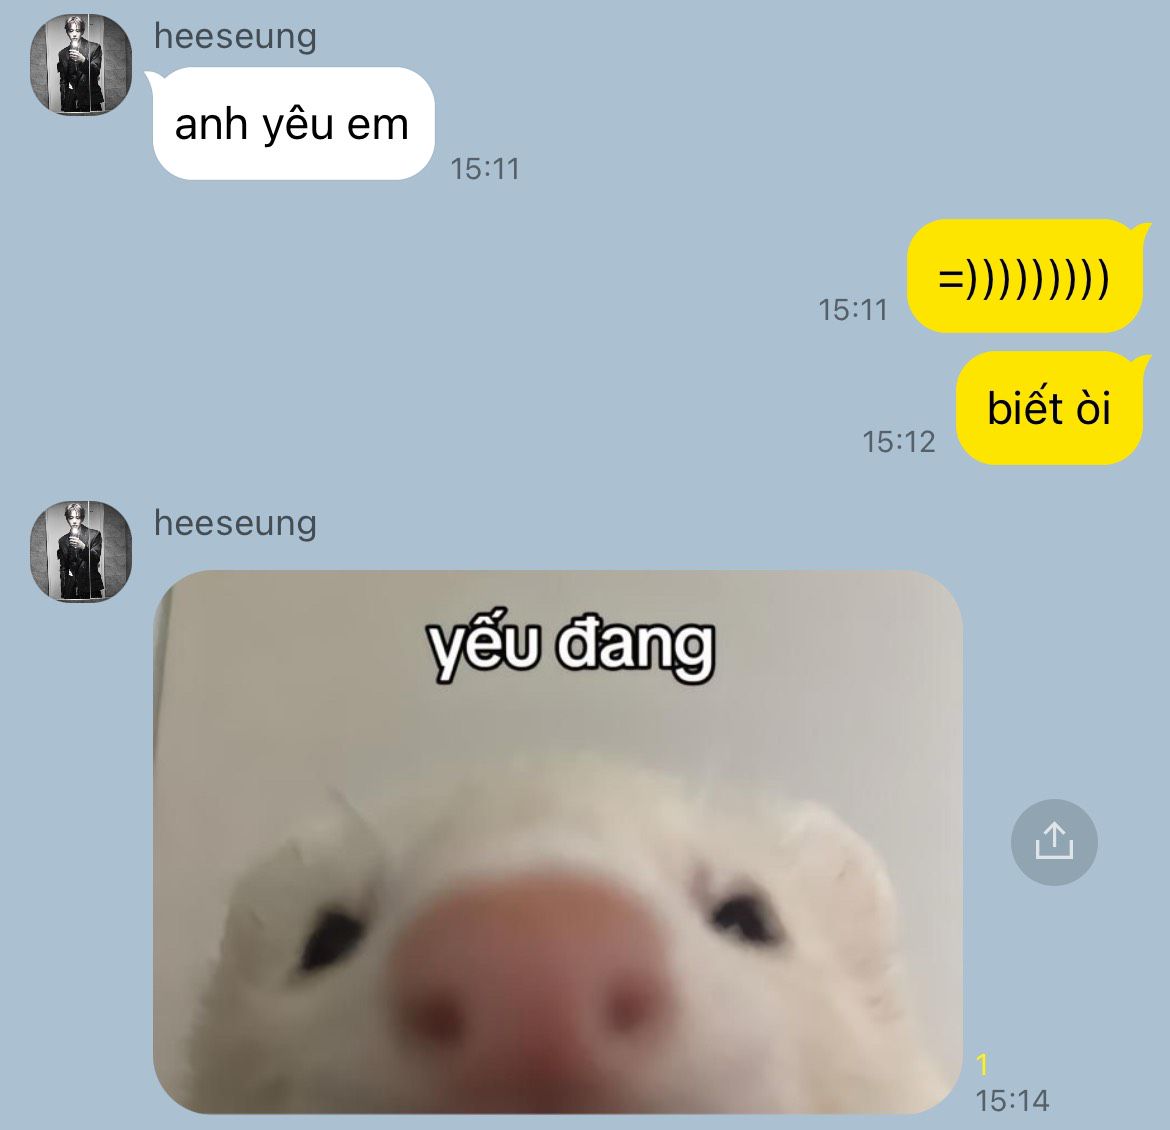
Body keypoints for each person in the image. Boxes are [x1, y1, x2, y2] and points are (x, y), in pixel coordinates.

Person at [57, 16, 103, 114]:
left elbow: (95, 72)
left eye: (77, 31)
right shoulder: (62, 53)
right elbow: (63, 81)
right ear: (67, 32)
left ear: (82, 31)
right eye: (71, 31)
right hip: (71, 102)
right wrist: (64, 104)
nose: (74, 34)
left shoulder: (94, 48)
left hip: (90, 100)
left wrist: (83, 60)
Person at [57, 503, 103, 599]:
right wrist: (64, 591)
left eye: (77, 517)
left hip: (90, 588)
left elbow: (95, 559)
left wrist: (83, 547)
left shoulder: (94, 535)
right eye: (71, 518)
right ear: (67, 519)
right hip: (71, 589)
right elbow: (63, 568)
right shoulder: (62, 540)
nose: (74, 521)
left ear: (82, 518)